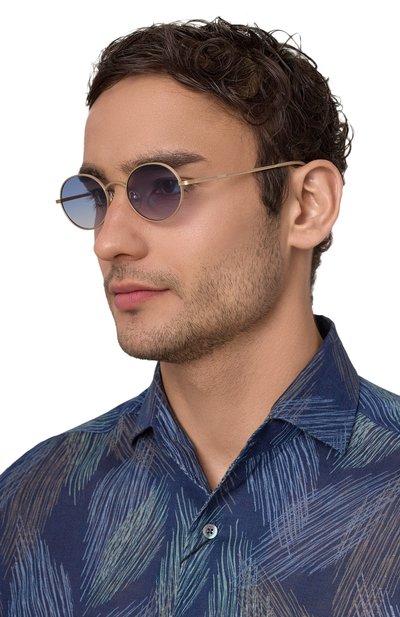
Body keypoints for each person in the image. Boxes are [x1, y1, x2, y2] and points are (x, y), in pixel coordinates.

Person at [1, 17, 399, 617]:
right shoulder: (30, 505)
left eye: (162, 188)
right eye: (97, 196)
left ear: (306, 205)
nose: (109, 241)